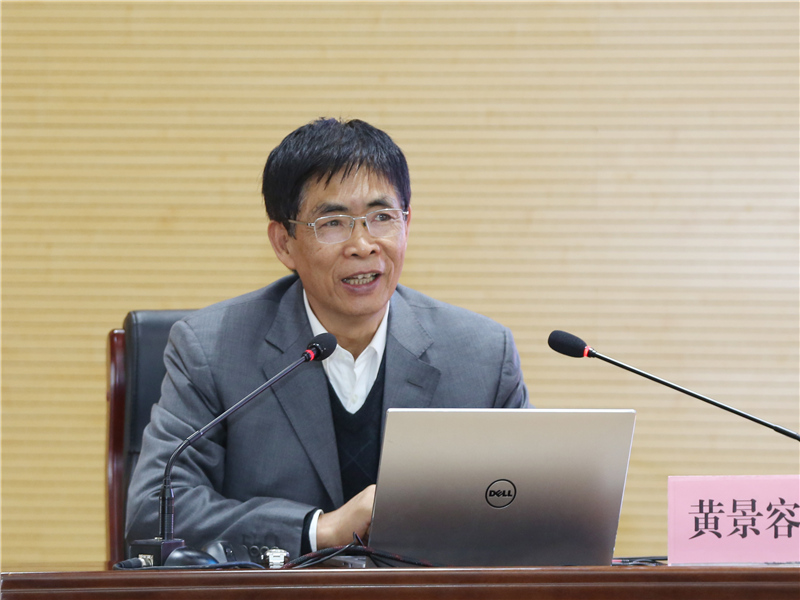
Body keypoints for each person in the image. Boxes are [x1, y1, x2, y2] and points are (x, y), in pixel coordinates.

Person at [126, 117, 529, 561]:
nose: (363, 245)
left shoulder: (481, 355)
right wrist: (320, 529)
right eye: (333, 222)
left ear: (407, 224)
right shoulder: (212, 350)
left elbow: (532, 506)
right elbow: (154, 509)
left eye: (382, 218)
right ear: (284, 243)